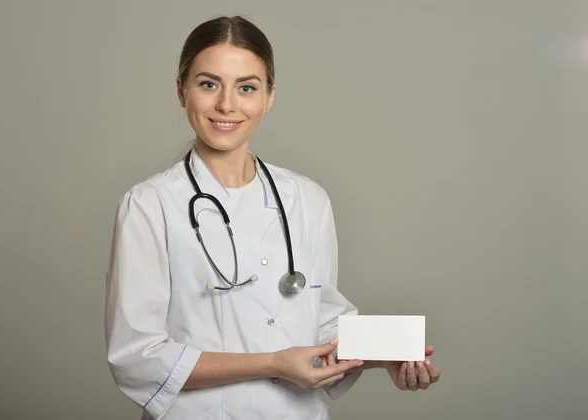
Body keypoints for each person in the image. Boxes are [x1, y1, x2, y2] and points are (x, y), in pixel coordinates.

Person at [104, 15, 440, 420]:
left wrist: (381, 358)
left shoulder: (308, 199)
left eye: (247, 87)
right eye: (208, 84)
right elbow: (138, 356)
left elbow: (319, 321)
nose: (227, 104)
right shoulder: (149, 205)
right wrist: (273, 363)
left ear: (269, 97)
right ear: (181, 91)